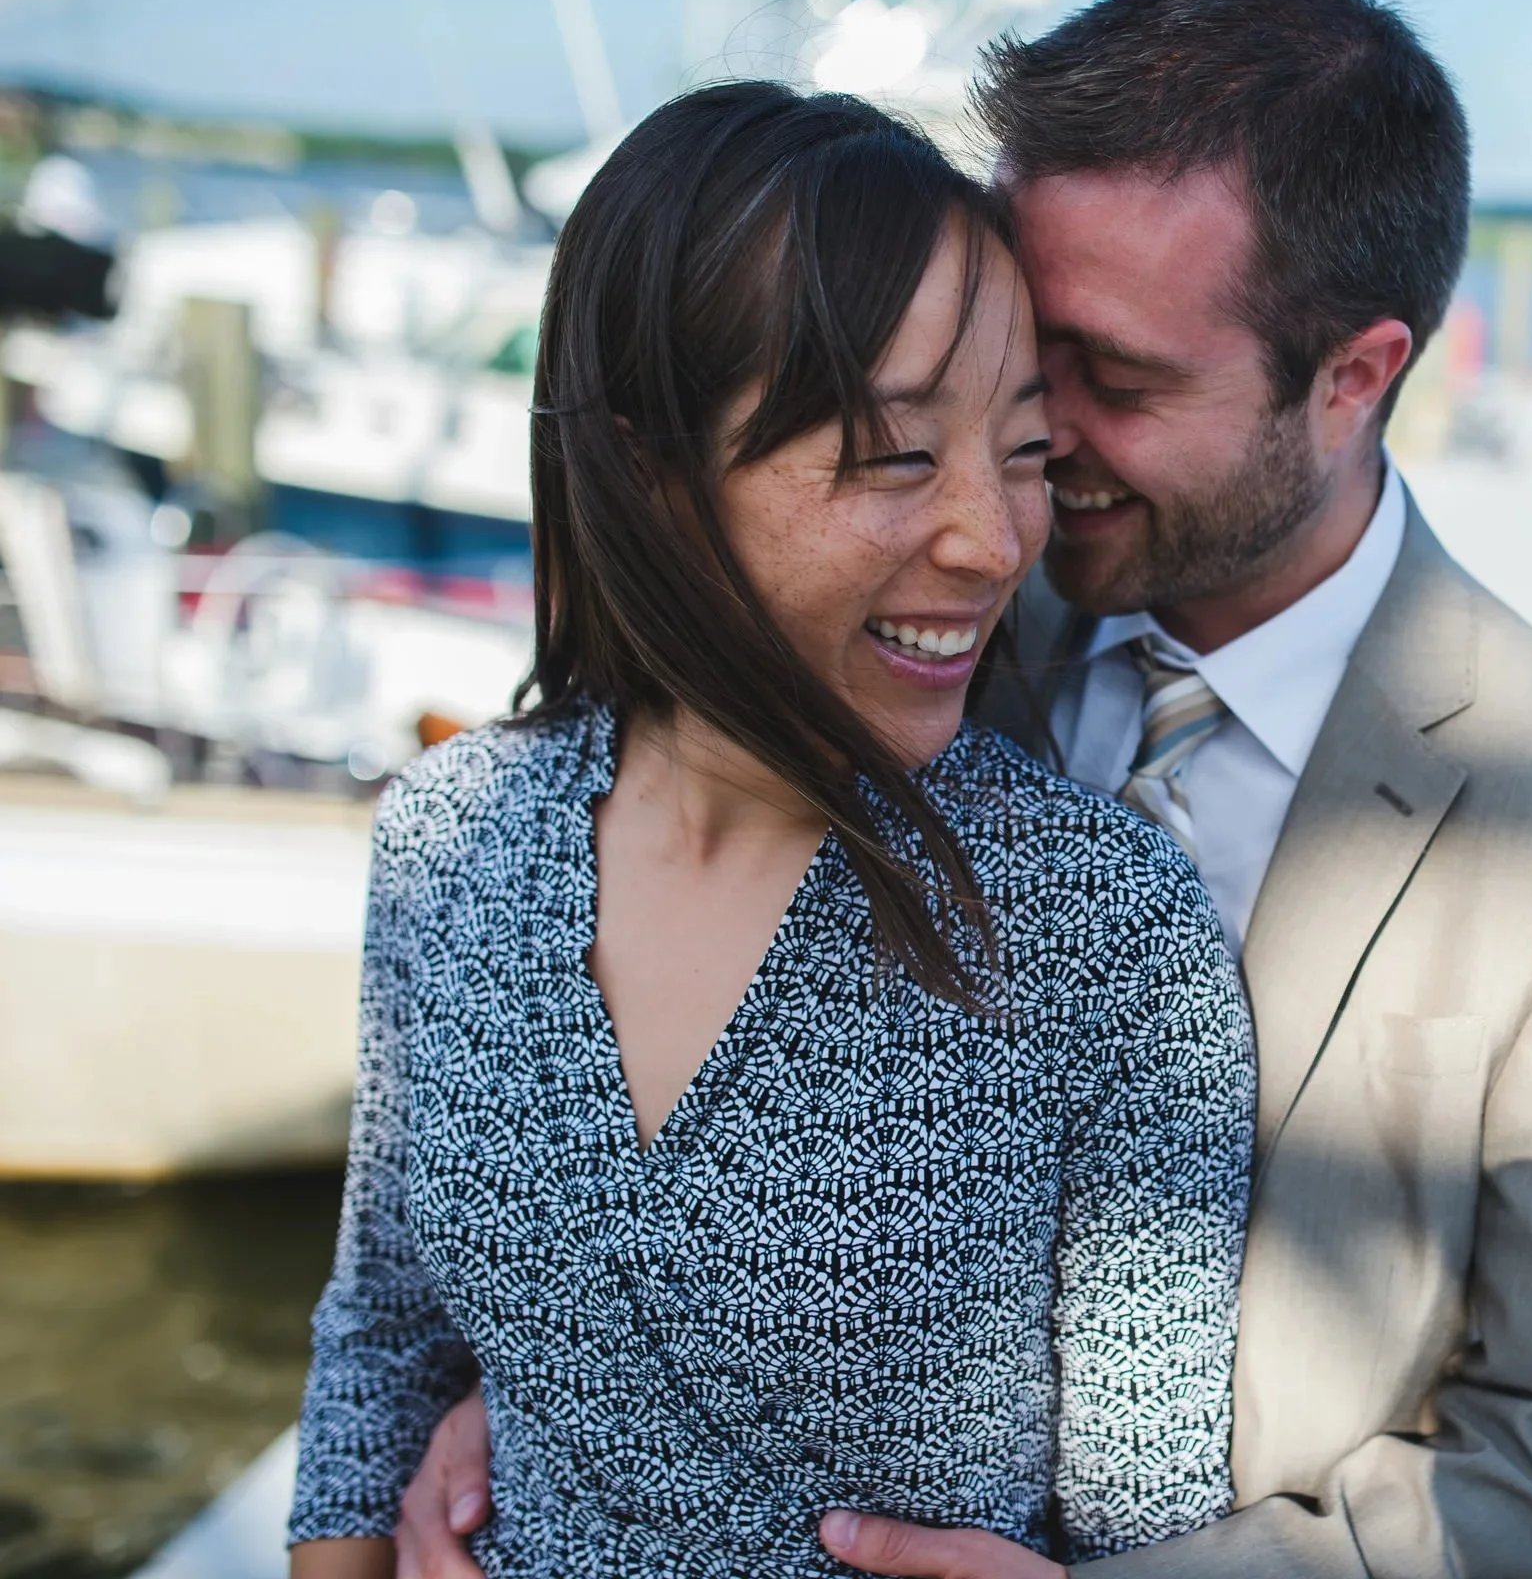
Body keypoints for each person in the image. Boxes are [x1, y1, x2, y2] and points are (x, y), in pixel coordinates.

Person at [402, 0, 1532, 1579]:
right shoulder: (891, 622)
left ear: (1352, 379)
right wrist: (542, 1372)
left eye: (1114, 380)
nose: (1028, 448)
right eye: (1014, 360)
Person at [285, 82, 1255, 1579]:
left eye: (1022, 452)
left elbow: (1150, 1523)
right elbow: (381, 1344)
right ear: (651, 469)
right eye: (896, 454)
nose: (995, 540)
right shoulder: (453, 836)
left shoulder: (1101, 925)